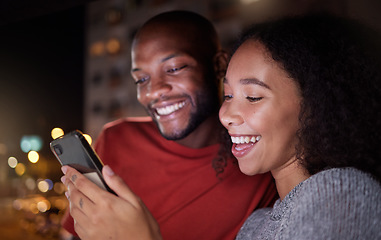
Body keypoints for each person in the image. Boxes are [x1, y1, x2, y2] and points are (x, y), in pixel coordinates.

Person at [60, 10, 277, 240]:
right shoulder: (117, 138)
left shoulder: (259, 156)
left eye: (173, 69)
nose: (153, 91)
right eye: (141, 79)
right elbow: (73, 233)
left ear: (219, 65)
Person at [218, 14, 381, 239]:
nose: (226, 116)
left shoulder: (340, 193)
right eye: (227, 95)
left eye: (253, 97)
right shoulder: (254, 226)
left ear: (316, 105)